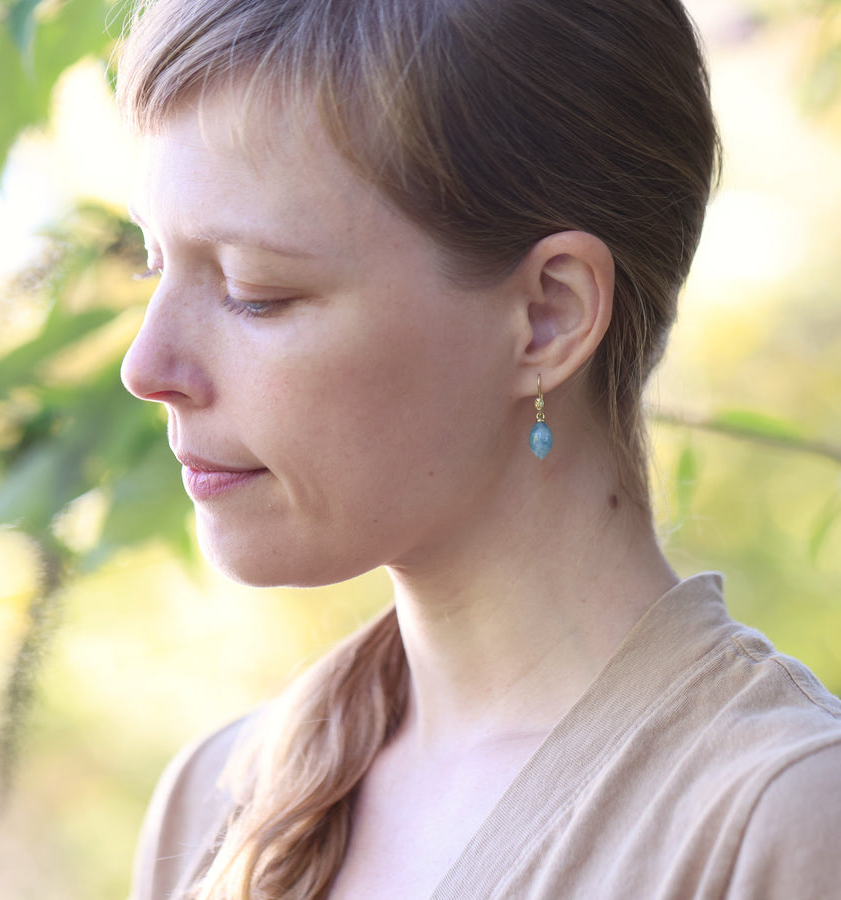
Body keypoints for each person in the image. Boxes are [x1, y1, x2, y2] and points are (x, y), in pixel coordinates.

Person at [115, 0, 841, 898]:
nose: (146, 366)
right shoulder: (216, 802)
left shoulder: (780, 818)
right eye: (155, 266)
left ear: (547, 317)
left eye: (253, 291)